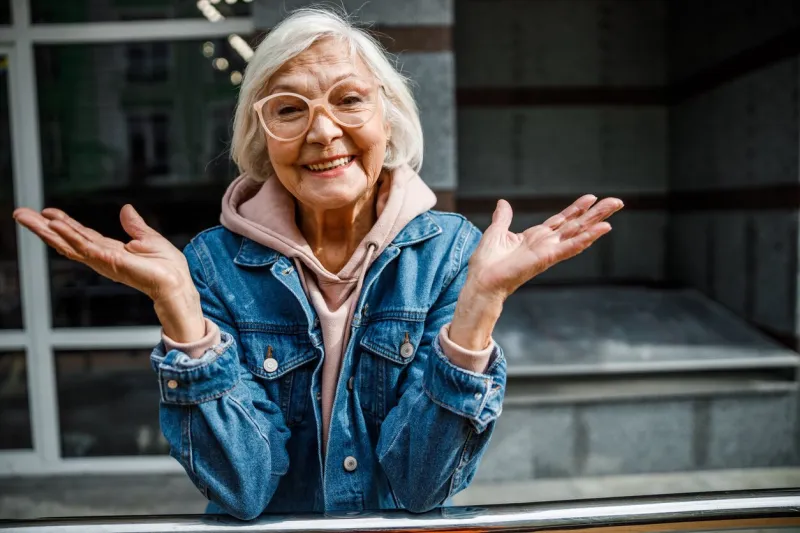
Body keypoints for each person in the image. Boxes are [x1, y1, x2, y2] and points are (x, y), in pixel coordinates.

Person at [13, 8, 622, 520]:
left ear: (388, 116)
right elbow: (244, 490)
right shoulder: (212, 265)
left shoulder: (452, 254)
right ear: (261, 136)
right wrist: (180, 311)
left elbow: (419, 487)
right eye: (289, 109)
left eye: (348, 100)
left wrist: (481, 303)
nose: (323, 131)